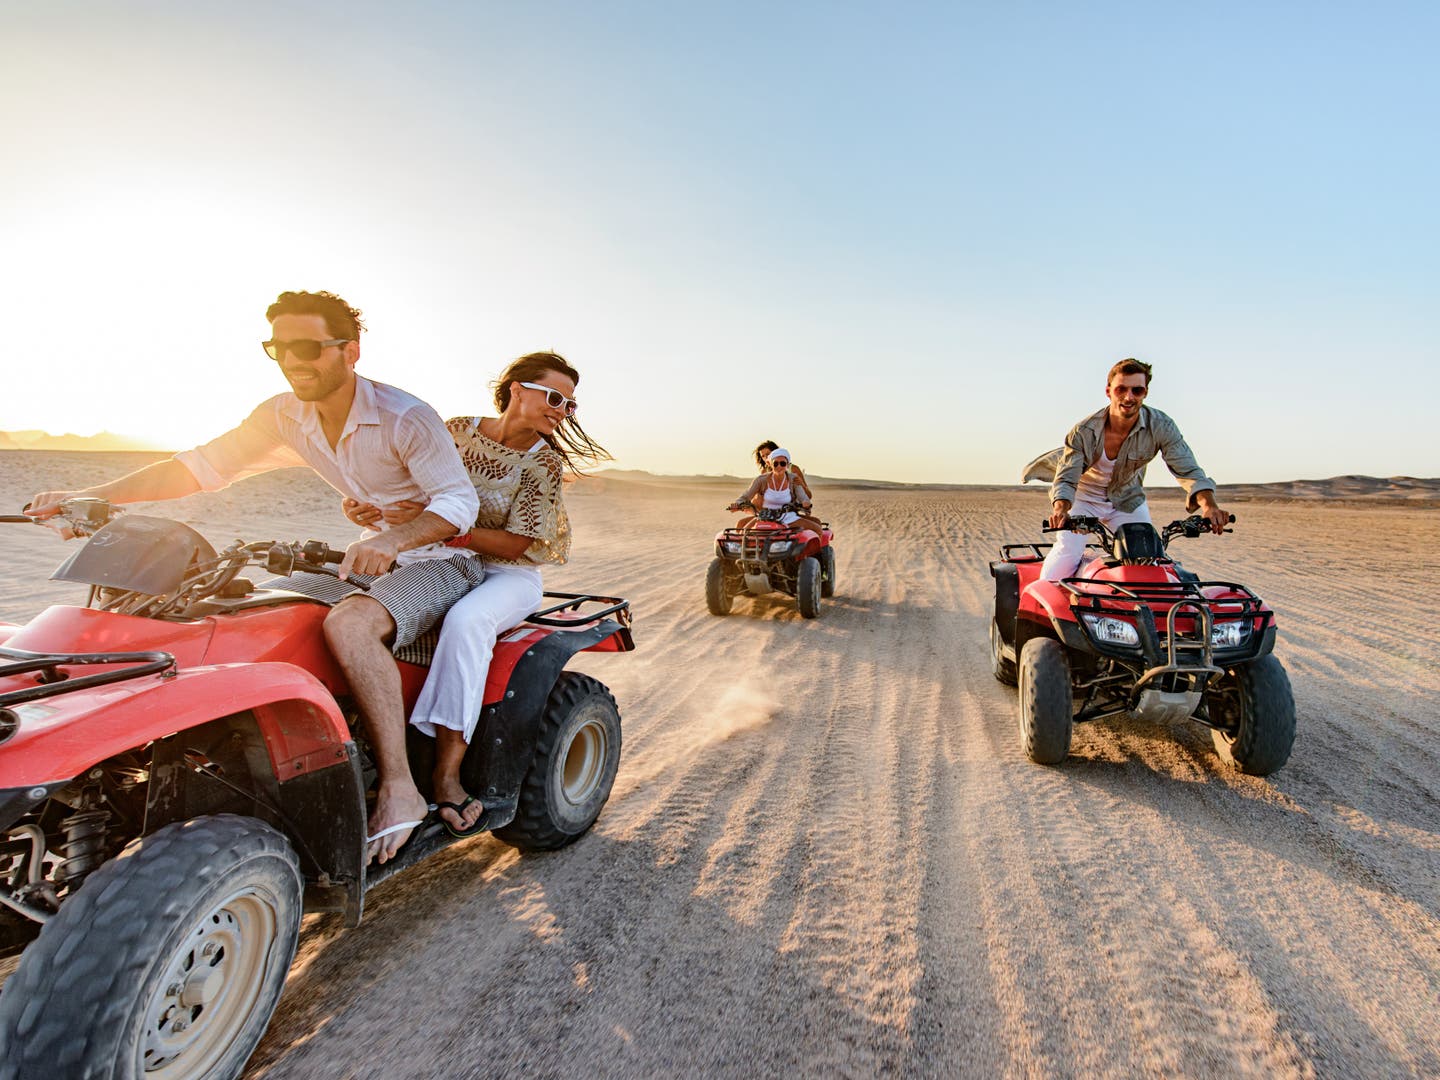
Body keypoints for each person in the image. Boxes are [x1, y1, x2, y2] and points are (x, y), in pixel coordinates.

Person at [26, 290, 480, 865]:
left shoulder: (404, 417)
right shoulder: (282, 414)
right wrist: (94, 496)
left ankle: (399, 788)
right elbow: (199, 467)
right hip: (367, 554)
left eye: (308, 347)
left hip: (440, 561)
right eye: (279, 347)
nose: (293, 360)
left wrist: (393, 538)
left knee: (351, 625)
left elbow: (458, 502)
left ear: (350, 351)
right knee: (251, 612)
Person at [342, 351, 609, 838]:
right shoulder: (457, 429)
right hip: (434, 557)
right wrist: (372, 510)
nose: (562, 410)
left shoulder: (542, 463)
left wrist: (446, 532)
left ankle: (446, 774)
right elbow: (417, 489)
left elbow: (517, 543)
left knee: (467, 622)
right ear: (517, 390)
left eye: (570, 406)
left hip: (507, 574)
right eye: (554, 397)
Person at [1038, 358, 1229, 581]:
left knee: (1149, 560)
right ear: (1109, 391)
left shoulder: (1161, 426)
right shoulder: (1084, 431)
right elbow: (1066, 478)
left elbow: (1188, 470)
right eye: (1121, 389)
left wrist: (1209, 506)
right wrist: (1061, 509)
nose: (1129, 397)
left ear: (1145, 393)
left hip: (1127, 499)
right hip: (1084, 500)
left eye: (1137, 390)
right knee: (1068, 552)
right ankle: (1033, 608)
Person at [728, 446, 823, 534]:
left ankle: (818, 552)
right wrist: (737, 504)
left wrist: (805, 503)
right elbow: (746, 496)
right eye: (775, 463)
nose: (779, 467)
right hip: (765, 517)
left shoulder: (793, 479)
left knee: (817, 529)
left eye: (782, 463)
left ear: (787, 464)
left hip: (788, 517)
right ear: (771, 464)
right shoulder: (761, 479)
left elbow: (803, 497)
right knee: (742, 533)